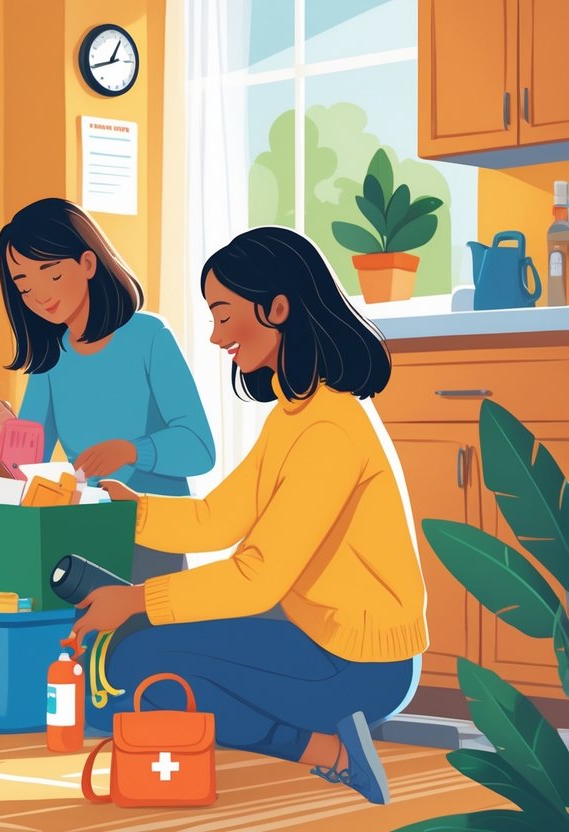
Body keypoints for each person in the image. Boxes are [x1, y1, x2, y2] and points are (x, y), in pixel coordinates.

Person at [73, 226, 427, 806]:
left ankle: (329, 751)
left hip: (362, 664)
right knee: (129, 667)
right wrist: (129, 512)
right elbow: (218, 518)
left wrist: (136, 600)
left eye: (223, 315)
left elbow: (257, 576)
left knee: (136, 662)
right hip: (318, 638)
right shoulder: (296, 412)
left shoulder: (330, 429)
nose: (215, 338)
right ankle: (332, 750)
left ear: (277, 308)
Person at [0, 198, 214, 581]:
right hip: (88, 535)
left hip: (154, 534)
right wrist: (8, 435)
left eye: (51, 275)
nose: (39, 297)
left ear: (88, 264)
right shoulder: (53, 357)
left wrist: (131, 450)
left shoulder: (149, 337)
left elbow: (200, 449)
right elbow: (28, 468)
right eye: (24, 288)